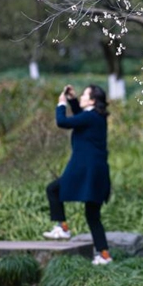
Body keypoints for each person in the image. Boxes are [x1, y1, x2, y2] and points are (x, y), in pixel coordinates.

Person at [43, 84, 113, 266]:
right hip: (98, 171)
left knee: (53, 189)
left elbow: (63, 122)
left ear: (92, 100)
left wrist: (61, 104)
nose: (81, 97)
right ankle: (104, 255)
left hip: (85, 169)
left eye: (84, 95)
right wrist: (73, 100)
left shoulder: (90, 117)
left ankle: (62, 227)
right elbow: (80, 118)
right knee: (92, 214)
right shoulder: (96, 117)